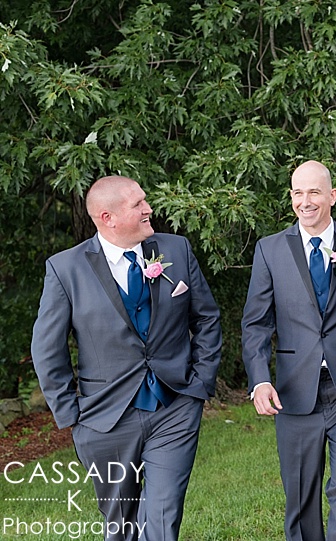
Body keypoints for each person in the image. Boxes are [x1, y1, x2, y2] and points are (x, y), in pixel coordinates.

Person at [31, 175, 222, 540]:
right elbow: (47, 348)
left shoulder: (176, 249)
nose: (148, 209)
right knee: (120, 524)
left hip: (175, 406)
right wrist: (71, 416)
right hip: (104, 419)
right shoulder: (65, 269)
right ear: (109, 218)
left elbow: (206, 318)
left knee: (163, 515)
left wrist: (200, 382)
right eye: (138, 204)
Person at [241, 160, 336, 541]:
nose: (305, 201)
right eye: (298, 193)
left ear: (332, 196)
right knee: (300, 495)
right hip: (294, 391)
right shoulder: (269, 250)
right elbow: (256, 324)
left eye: (314, 192)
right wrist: (260, 380)